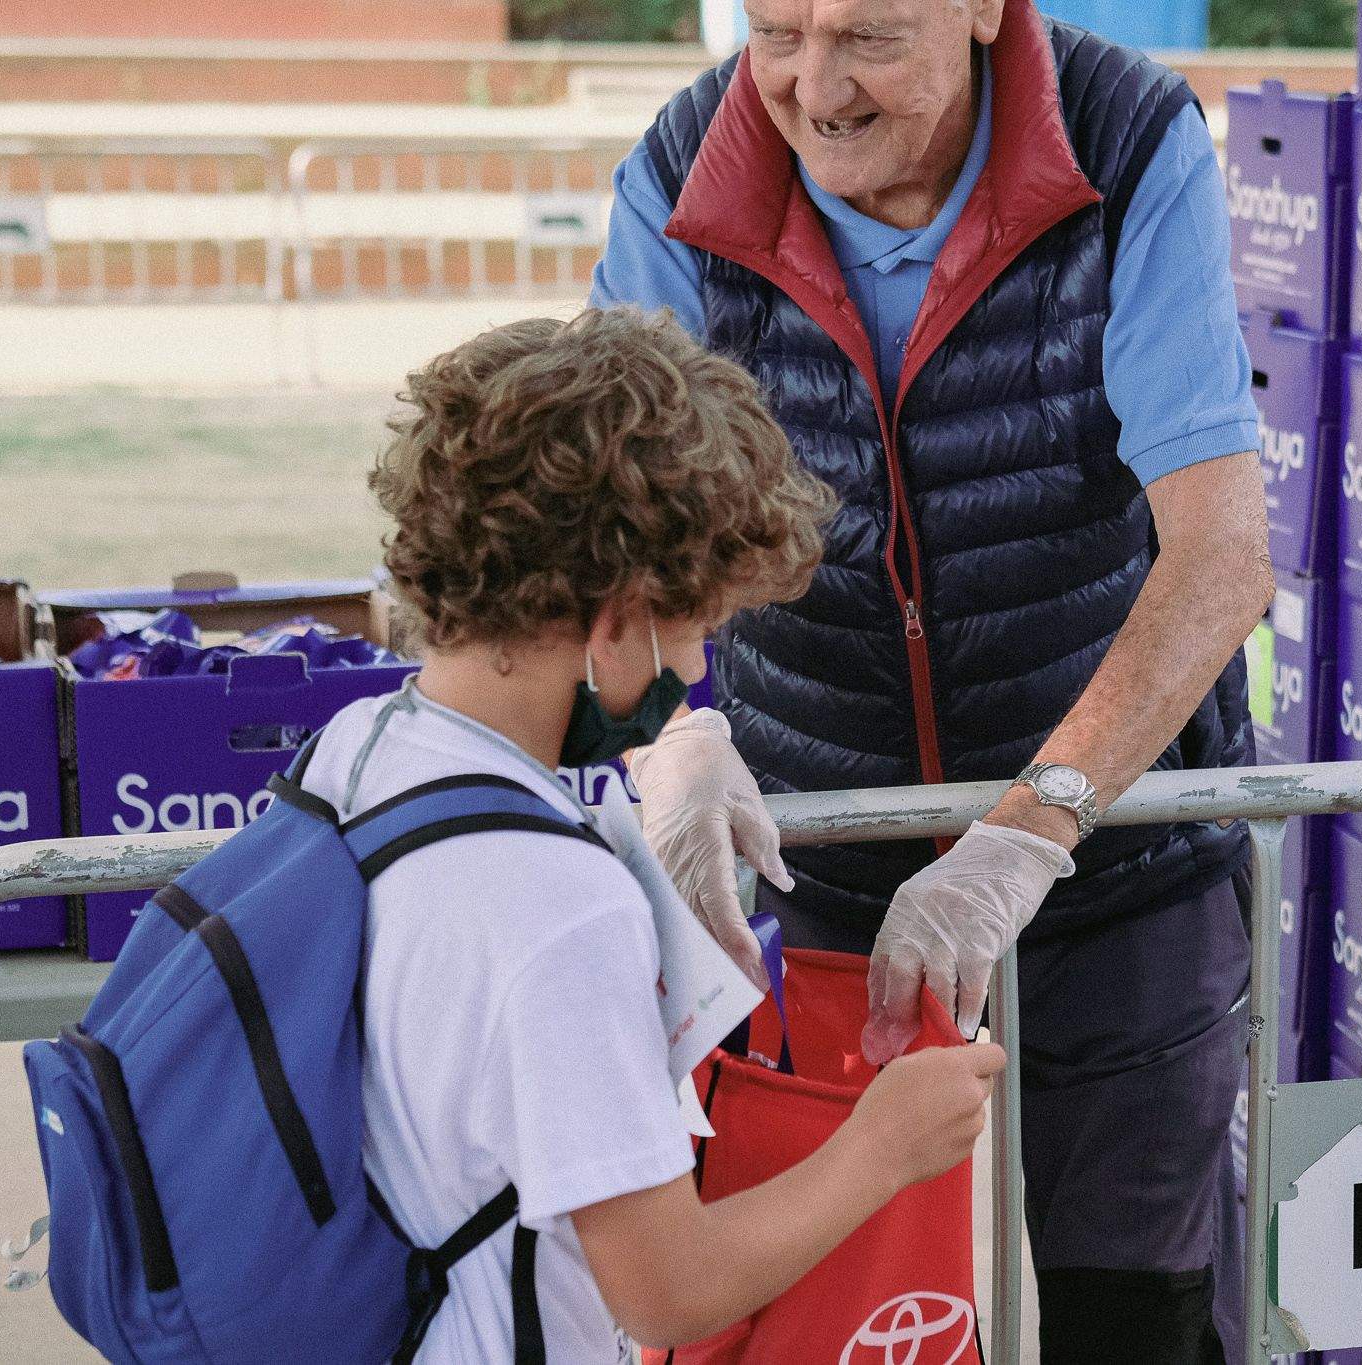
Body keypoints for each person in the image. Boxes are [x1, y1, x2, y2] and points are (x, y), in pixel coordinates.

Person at [594, 1, 1275, 1359]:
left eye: (868, 37)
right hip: (811, 877)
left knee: (1136, 1316)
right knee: (836, 1326)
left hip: (1113, 864)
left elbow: (1220, 555)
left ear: (982, 11)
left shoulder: (1129, 140)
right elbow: (619, 535)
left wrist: (1028, 830)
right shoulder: (681, 167)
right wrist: (673, 731)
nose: (812, 86)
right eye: (777, 28)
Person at [303, 307, 1005, 1361]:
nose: (691, 673)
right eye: (696, 630)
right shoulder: (558, 903)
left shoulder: (360, 752)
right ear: (620, 615)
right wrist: (883, 1146)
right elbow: (669, 1294)